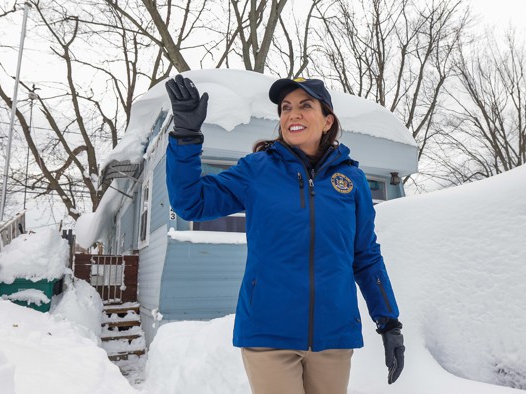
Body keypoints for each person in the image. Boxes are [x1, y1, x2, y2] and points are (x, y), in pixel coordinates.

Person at [165, 74, 405, 394]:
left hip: (333, 335)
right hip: (268, 332)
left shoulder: (352, 180)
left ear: (327, 120)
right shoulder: (257, 170)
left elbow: (365, 256)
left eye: (306, 106)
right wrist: (186, 135)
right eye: (285, 107)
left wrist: (389, 322)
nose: (293, 113)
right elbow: (190, 203)